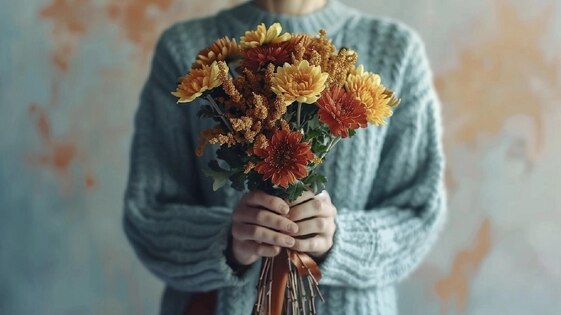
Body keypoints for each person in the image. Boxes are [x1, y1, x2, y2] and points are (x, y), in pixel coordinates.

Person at [123, 0, 447, 314]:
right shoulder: (185, 49)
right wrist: (227, 241)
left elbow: (418, 216)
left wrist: (338, 240)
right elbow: (148, 216)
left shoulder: (396, 51)